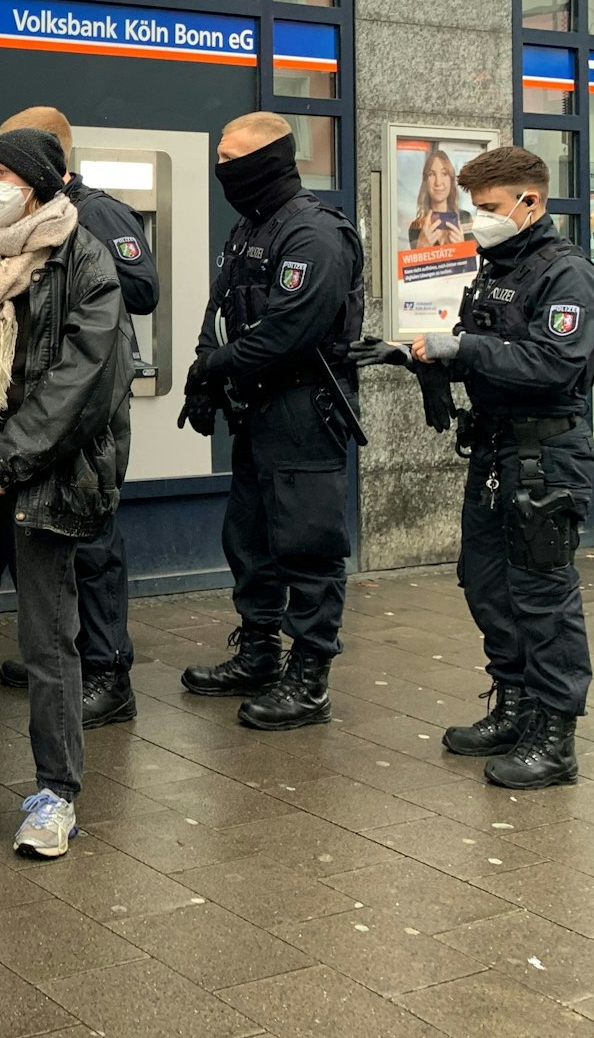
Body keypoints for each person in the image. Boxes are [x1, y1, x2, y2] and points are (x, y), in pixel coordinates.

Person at [408, 147, 594, 788]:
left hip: (546, 456)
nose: (480, 220)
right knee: (487, 582)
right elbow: (491, 347)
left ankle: (555, 736)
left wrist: (464, 349)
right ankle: (517, 702)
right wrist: (433, 364)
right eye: (475, 209)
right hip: (497, 449)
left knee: (543, 596)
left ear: (532, 203)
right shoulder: (498, 268)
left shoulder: (567, 276)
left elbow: (554, 364)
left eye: (491, 209)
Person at [0, 128, 131, 858]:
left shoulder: (82, 258)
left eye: (3, 172)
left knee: (46, 639)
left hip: (39, 473)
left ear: (36, 184)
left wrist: (12, 455)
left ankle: (56, 795)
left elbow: (84, 380)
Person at [178, 112, 364, 731]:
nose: (223, 169)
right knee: (251, 538)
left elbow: (290, 333)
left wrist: (214, 369)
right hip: (256, 409)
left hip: (305, 408)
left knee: (307, 545)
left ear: (272, 159)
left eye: (232, 158)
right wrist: (204, 368)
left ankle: (310, 680)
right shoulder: (250, 228)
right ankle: (259, 652)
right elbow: (221, 306)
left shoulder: (315, 235)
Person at [0, 107, 157, 728]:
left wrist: (78, 274)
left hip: (88, 407)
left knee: (91, 540)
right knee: (49, 537)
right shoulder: (19, 225)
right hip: (40, 410)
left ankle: (108, 671)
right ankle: (63, 655)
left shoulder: (98, 216)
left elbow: (144, 288)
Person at [408, 147, 473, 249]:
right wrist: (421, 249)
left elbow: (473, 263)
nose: (438, 182)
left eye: (444, 174)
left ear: (451, 180)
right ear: (425, 181)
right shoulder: (416, 226)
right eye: (431, 174)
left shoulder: (465, 218)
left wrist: (462, 249)